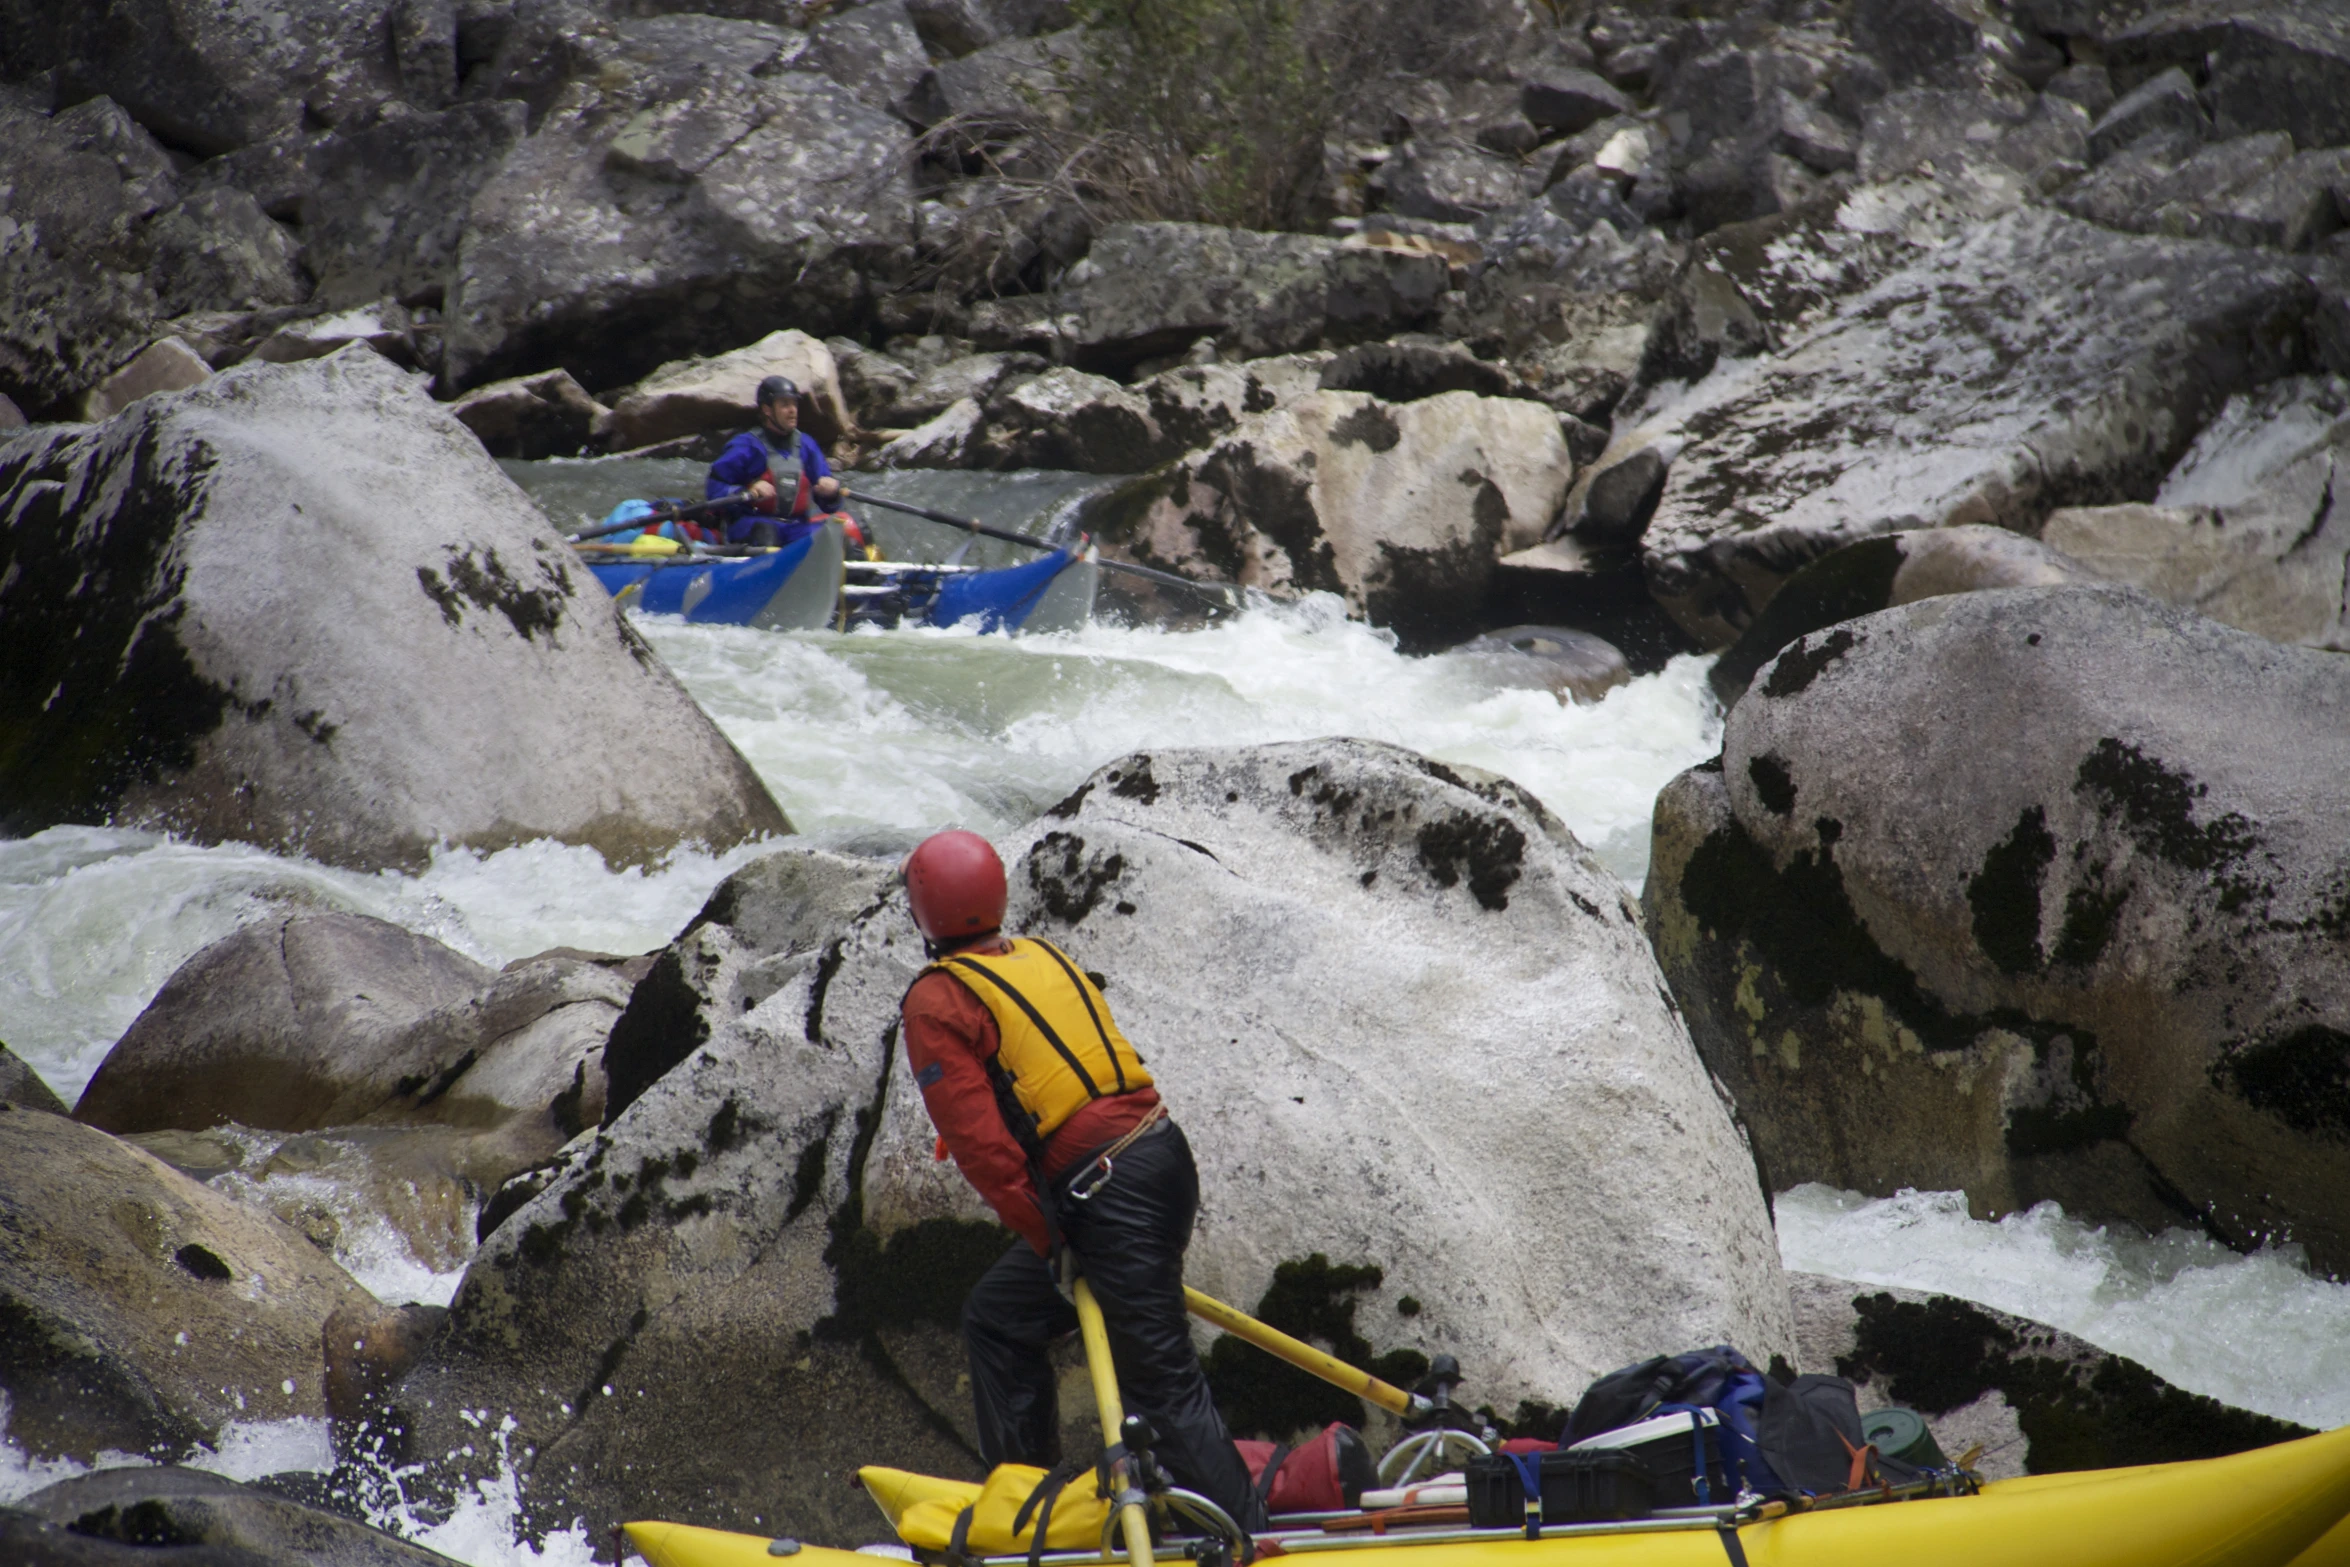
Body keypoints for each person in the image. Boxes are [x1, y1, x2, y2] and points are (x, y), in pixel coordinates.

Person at [898, 830, 1270, 1538]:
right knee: (999, 1318)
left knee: (1159, 1382)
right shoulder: (1037, 953)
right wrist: (1057, 1237)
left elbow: (985, 1149)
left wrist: (1046, 1237)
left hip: (1105, 1194)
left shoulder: (938, 1000)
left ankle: (1244, 1540)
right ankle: (1037, 1512)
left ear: (924, 913)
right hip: (1157, 1160)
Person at [705, 375, 871, 553]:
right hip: (752, 523)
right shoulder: (745, 446)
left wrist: (830, 494)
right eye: (784, 404)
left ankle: (866, 578)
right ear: (767, 410)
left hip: (796, 527)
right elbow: (714, 489)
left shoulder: (806, 446)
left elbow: (827, 505)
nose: (792, 410)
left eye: (794, 404)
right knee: (767, 535)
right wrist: (747, 492)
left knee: (838, 537)